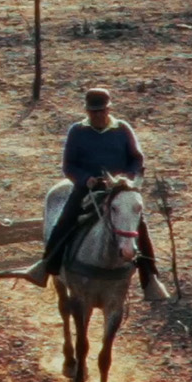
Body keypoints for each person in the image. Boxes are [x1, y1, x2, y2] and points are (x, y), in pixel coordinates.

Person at [16, 87, 170, 301]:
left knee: (139, 227)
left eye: (101, 111)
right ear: (87, 112)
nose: (98, 116)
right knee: (65, 221)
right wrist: (84, 179)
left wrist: (128, 176)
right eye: (93, 112)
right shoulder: (77, 131)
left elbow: (137, 158)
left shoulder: (122, 129)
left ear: (109, 109)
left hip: (120, 188)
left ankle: (150, 279)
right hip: (88, 186)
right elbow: (69, 166)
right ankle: (47, 264)